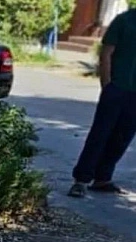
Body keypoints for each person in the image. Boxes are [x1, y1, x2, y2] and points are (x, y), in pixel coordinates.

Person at [68, 7, 136, 198]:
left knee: (123, 137)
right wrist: (107, 85)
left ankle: (103, 178)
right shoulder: (124, 21)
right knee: (100, 134)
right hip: (117, 86)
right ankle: (81, 180)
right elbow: (106, 52)